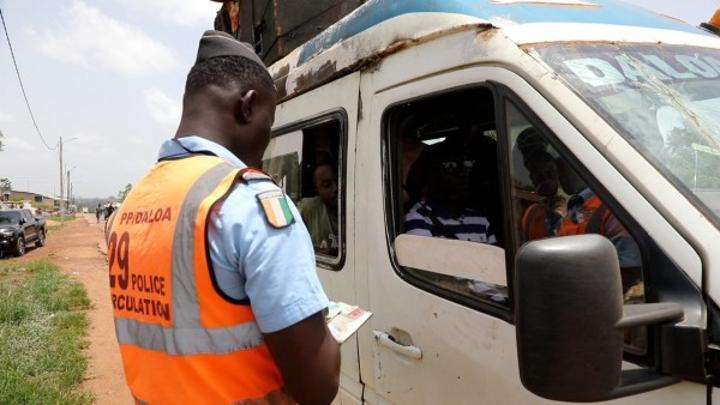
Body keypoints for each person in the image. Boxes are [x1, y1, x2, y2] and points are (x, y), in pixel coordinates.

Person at [108, 31, 339, 405]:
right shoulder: (249, 204)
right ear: (248, 106)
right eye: (269, 121)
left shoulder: (131, 205)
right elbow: (318, 387)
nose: (268, 138)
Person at [555, 158, 642, 293]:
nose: (561, 177)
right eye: (559, 171)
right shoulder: (575, 207)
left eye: (565, 168)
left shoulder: (612, 207)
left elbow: (629, 279)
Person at [519, 148, 566, 242]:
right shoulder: (531, 212)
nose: (546, 181)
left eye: (550, 175)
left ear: (557, 174)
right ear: (532, 180)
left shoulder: (573, 206)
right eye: (539, 178)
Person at [299, 162, 339, 255]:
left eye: (338, 181)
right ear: (317, 191)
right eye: (327, 185)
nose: (336, 188)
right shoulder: (309, 208)